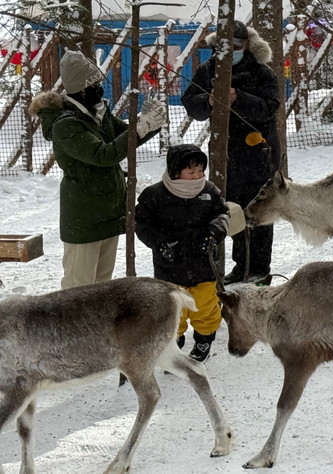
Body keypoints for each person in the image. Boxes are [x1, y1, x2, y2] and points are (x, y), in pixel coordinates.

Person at [29, 50, 165, 288]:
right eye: (94, 84)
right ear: (81, 89)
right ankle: (70, 327)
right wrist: (140, 128)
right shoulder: (66, 124)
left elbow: (126, 137)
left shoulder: (96, 113)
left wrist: (150, 122)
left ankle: (98, 327)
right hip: (84, 218)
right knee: (78, 289)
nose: (98, 88)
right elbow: (104, 155)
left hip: (107, 213)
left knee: (102, 288)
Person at [182, 20, 280, 284]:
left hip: (259, 154)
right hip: (225, 155)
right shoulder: (209, 68)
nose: (233, 50)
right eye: (227, 46)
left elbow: (270, 107)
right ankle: (239, 267)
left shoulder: (262, 72)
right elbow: (191, 103)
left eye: (237, 46)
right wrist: (209, 101)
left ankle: (259, 270)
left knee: (259, 213)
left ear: (247, 44)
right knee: (231, 211)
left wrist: (240, 98)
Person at [135, 144, 229, 362]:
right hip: (170, 267)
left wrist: (215, 231)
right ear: (176, 171)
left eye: (200, 170)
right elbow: (142, 224)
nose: (198, 176)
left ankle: (204, 338)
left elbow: (222, 214)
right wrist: (160, 243)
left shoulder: (209, 192)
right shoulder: (154, 195)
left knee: (205, 306)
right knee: (172, 308)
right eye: (191, 171)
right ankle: (172, 341)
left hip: (203, 265)